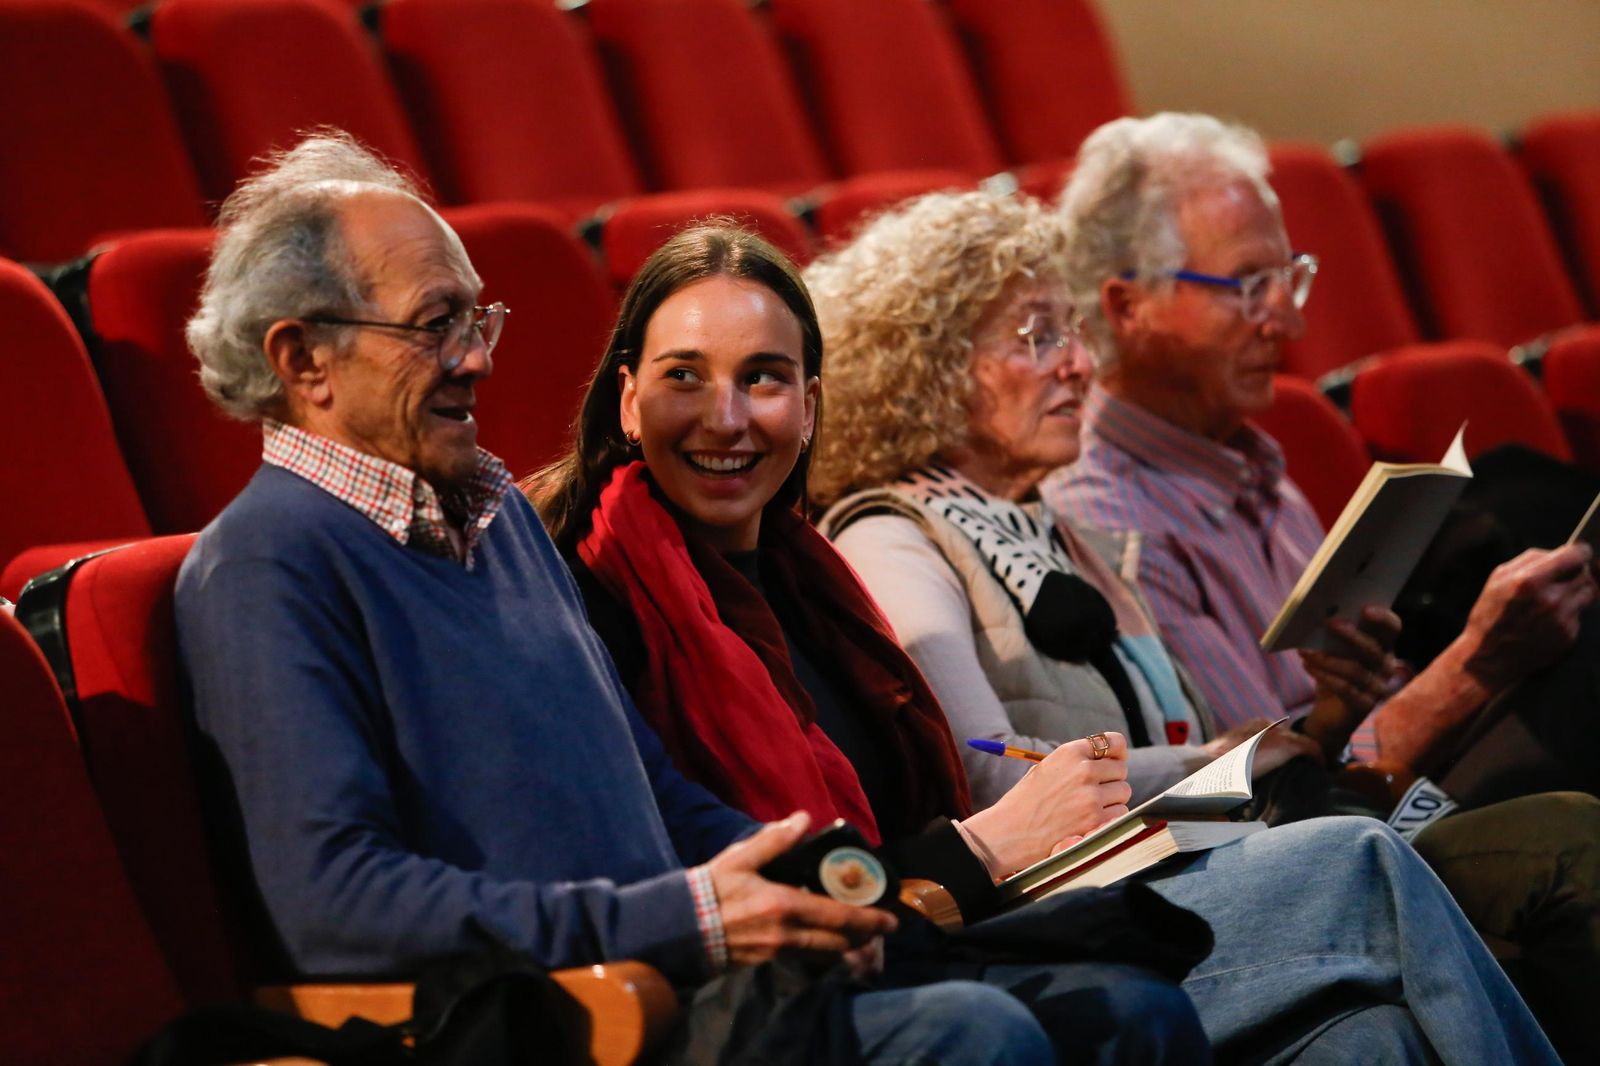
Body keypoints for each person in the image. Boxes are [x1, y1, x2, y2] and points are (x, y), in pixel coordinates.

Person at [173, 132, 1210, 1066]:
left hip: (691, 979)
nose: (478, 356)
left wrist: (828, 881)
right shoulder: (268, 565)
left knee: (1133, 1010)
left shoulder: (492, 519)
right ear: (304, 359)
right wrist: (686, 917)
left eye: (476, 316)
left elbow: (654, 790)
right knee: (974, 1035)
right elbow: (339, 909)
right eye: (435, 325)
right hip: (568, 1019)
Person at [530, 214, 1558, 1063]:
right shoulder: (856, 545)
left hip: (1031, 879)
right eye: (683, 376)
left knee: (1367, 1040)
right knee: (1360, 862)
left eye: (762, 377)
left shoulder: (828, 579)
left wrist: (1259, 749)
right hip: (956, 908)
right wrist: (1198, 771)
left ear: (808, 401)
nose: (726, 414)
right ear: (626, 394)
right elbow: (989, 790)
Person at [1041, 112, 1600, 809]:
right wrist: (1477, 662)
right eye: (1248, 286)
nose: (1289, 321)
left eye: (1288, 279)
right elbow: (1268, 788)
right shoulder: (1107, 519)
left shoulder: (1249, 457)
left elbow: (1355, 713)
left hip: (1396, 780)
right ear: (1129, 307)